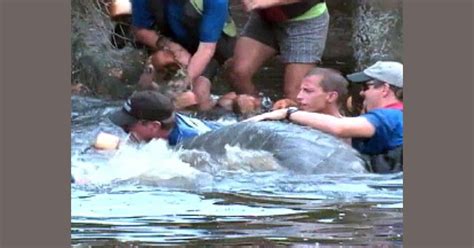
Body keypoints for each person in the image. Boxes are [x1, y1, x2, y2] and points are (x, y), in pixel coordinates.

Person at [247, 61, 404, 173]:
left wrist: (288, 113)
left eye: (365, 87)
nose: (362, 93)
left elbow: (340, 128)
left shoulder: (390, 116)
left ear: (385, 89)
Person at [131, 0, 237, 110]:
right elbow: (140, 31)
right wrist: (172, 47)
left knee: (199, 92)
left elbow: (206, 49)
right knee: (157, 64)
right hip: (173, 42)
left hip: (213, 48)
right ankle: (144, 114)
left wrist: (184, 82)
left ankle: (213, 113)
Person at [229, 0, 330, 104]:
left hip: (306, 20)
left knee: (295, 94)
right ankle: (257, 112)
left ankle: (291, 116)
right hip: (266, 19)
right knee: (239, 74)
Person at [109, 90, 222, 146]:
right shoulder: (167, 119)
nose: (124, 130)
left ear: (154, 126)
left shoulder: (187, 143)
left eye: (128, 126)